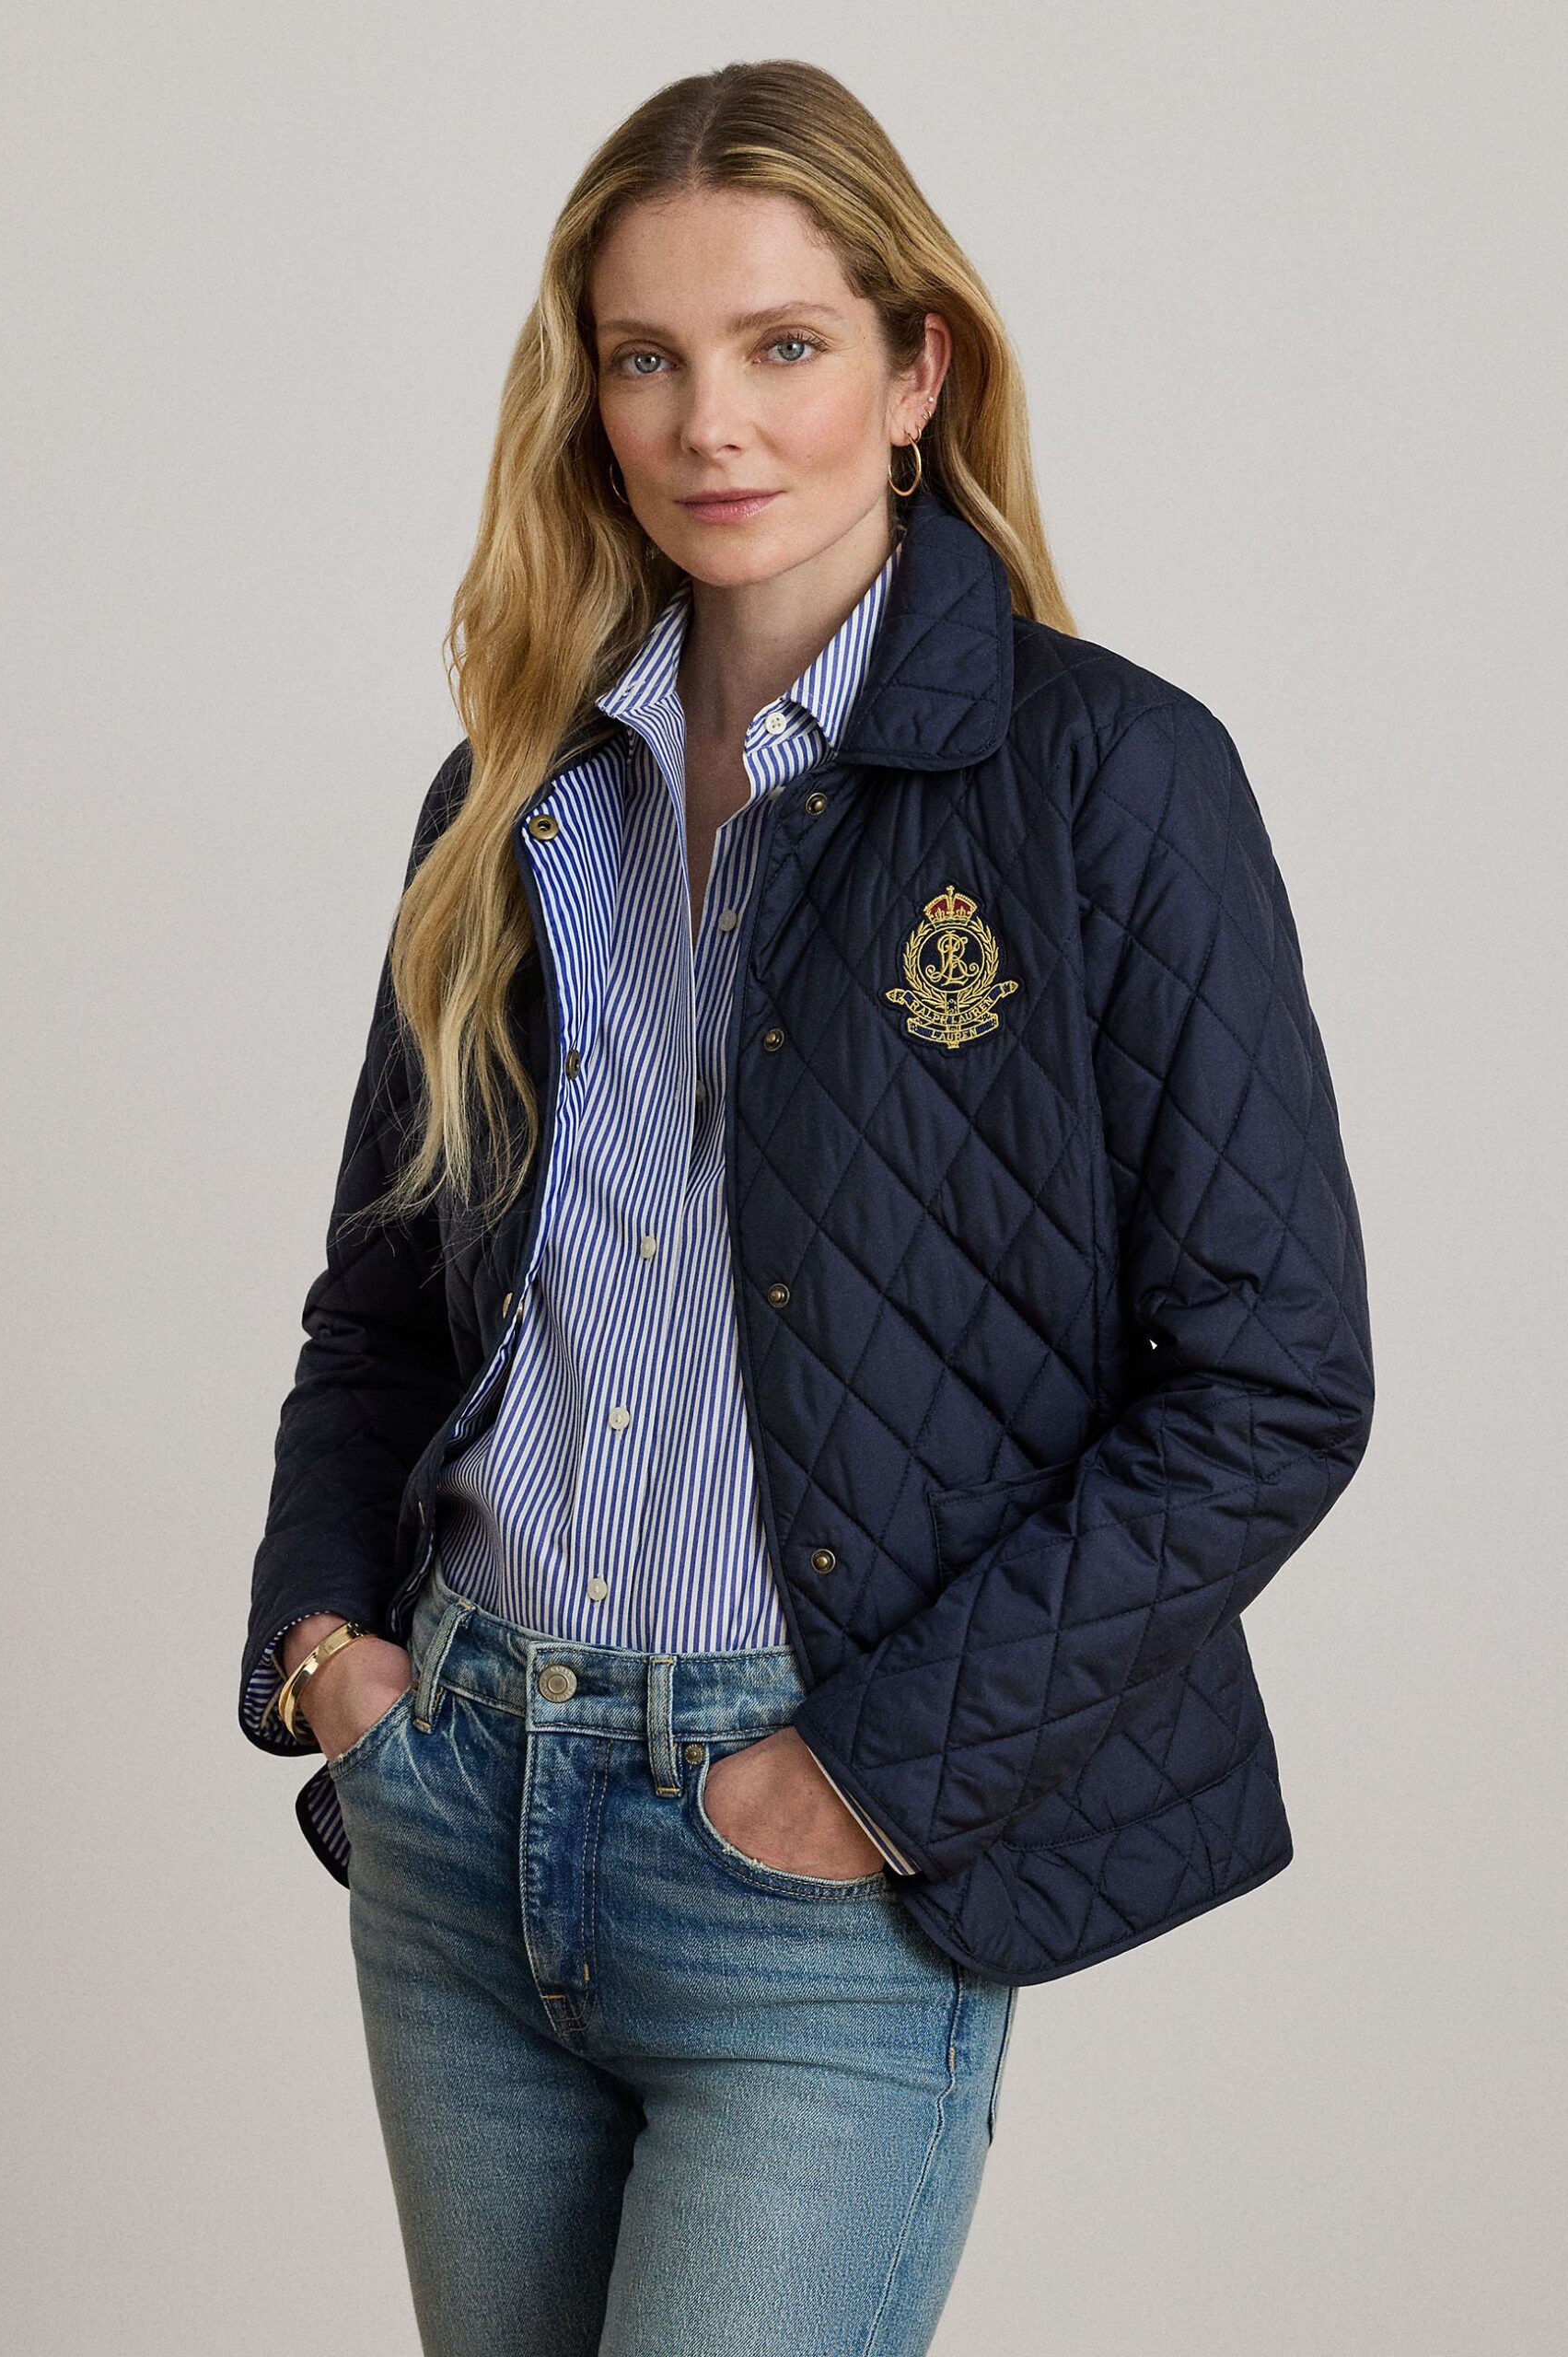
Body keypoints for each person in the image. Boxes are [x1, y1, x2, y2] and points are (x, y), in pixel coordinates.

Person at [238, 57, 1375, 2357]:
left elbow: (1270, 1383)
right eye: (643, 357)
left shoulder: (1102, 776)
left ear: (914, 368)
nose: (710, 424)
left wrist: (859, 1777)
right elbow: (385, 1303)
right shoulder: (507, 796)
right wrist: (325, 1645)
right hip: (458, 1806)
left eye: (781, 345)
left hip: (810, 1870)